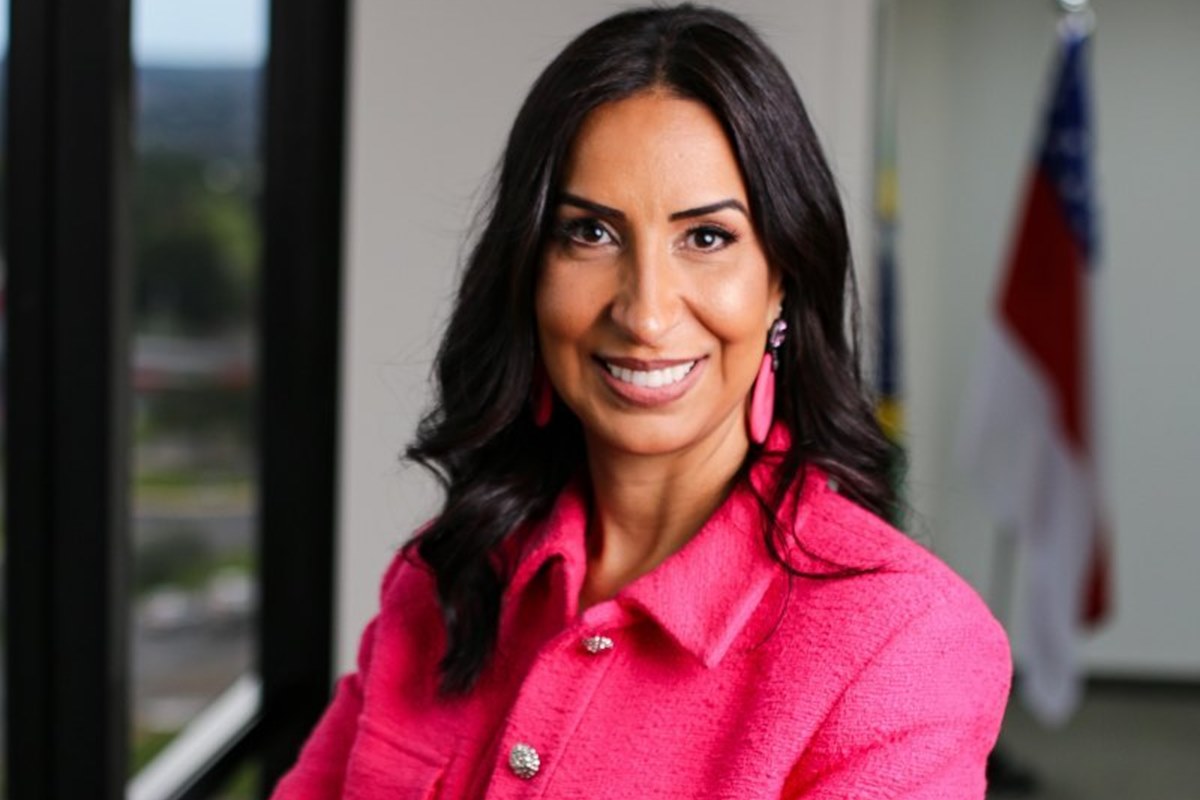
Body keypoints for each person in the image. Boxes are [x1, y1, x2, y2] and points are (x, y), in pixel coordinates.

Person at [271, 5, 1011, 798]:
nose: (646, 312)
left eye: (706, 238)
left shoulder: (905, 643)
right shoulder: (445, 574)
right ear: (528, 269)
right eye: (590, 233)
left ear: (783, 281)